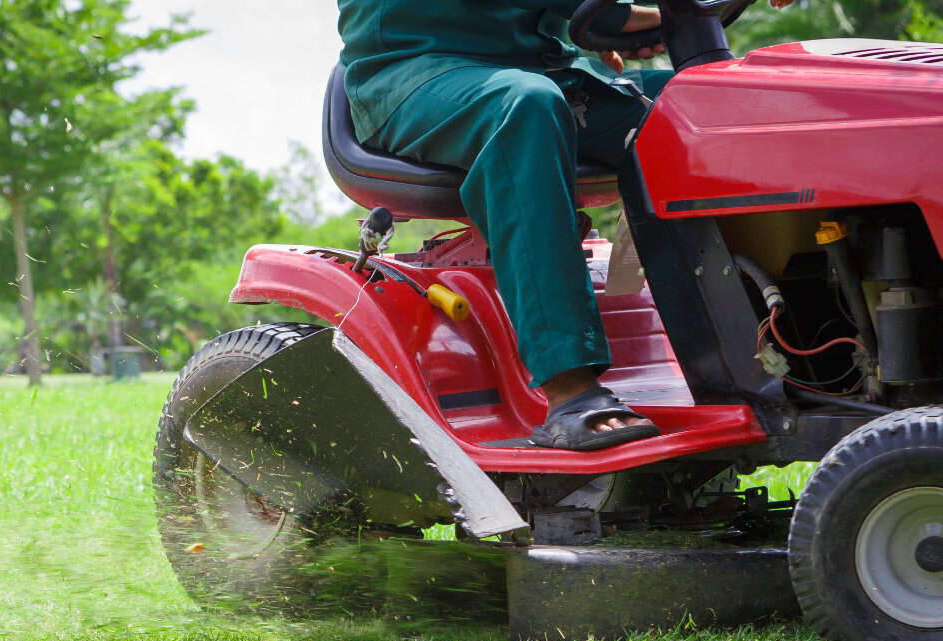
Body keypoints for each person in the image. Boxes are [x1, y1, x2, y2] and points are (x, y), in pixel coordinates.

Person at [336, 0, 792, 450]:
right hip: (416, 74)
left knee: (717, 100)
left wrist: (637, 20)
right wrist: (625, 18)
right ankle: (569, 390)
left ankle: (784, 354)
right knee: (526, 107)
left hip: (543, 68)